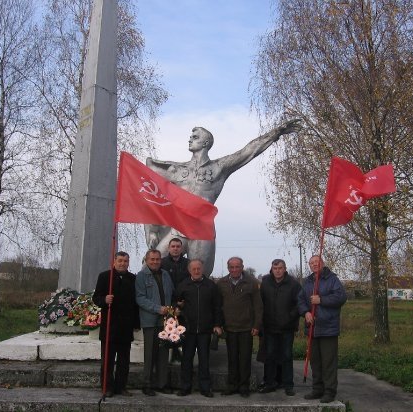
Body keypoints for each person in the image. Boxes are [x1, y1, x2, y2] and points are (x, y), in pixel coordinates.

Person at [144, 119, 302, 276]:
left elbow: (248, 151)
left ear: (206, 143)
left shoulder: (218, 168)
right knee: (149, 265)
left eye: (195, 137)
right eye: (191, 137)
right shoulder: (176, 170)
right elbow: (148, 187)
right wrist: (152, 230)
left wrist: (276, 132)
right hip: (179, 229)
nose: (190, 139)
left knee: (199, 275)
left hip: (202, 229)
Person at [298, 255, 347, 403]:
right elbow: (300, 300)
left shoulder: (332, 279)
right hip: (312, 328)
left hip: (328, 328)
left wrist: (321, 300)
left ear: (322, 263)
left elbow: (341, 297)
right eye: (311, 263)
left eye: (317, 262)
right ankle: (317, 389)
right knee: (315, 362)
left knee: (328, 362)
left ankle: (329, 391)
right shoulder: (307, 282)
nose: (314, 264)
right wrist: (306, 312)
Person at [92, 251, 140, 397]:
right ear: (114, 261)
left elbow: (135, 303)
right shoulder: (105, 276)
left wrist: (136, 323)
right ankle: (107, 387)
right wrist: (104, 300)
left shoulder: (133, 279)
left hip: (125, 326)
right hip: (109, 326)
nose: (122, 263)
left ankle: (121, 387)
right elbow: (96, 297)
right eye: (120, 261)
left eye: (125, 261)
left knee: (124, 361)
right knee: (108, 360)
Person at [175, 259, 223, 398]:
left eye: (199, 268)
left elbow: (217, 307)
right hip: (188, 329)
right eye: (194, 269)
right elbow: (175, 302)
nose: (196, 271)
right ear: (189, 270)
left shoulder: (211, 286)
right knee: (186, 359)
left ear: (203, 269)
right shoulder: (183, 285)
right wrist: (178, 306)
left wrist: (217, 324)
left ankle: (205, 388)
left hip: (205, 329)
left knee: (204, 360)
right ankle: (185, 387)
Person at [217, 257, 262, 397]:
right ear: (228, 268)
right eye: (232, 267)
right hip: (229, 327)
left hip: (246, 328)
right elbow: (218, 305)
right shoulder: (221, 283)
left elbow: (258, 306)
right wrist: (219, 324)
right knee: (232, 359)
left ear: (242, 267)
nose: (234, 269)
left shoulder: (252, 282)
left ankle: (244, 387)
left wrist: (256, 325)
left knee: (245, 359)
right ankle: (232, 385)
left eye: (237, 267)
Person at [258, 259, 302, 397]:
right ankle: (270, 383)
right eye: (275, 268)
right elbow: (260, 303)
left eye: (280, 268)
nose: (277, 271)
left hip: (287, 327)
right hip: (270, 327)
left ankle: (288, 385)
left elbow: (299, 303)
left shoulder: (293, 284)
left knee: (286, 356)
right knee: (270, 356)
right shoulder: (265, 283)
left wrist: (290, 317)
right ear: (272, 269)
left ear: (285, 269)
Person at [135, 249, 175, 396]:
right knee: (150, 354)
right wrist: (158, 309)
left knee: (163, 353)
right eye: (152, 259)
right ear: (146, 260)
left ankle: (162, 384)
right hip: (150, 321)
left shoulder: (165, 274)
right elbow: (140, 298)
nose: (155, 262)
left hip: (165, 321)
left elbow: (172, 293)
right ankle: (147, 384)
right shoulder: (141, 276)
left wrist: (174, 308)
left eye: (157, 259)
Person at [160, 237, 190, 363]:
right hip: (167, 304)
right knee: (167, 333)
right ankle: (167, 361)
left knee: (183, 332)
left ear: (182, 248)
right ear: (169, 248)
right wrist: (172, 304)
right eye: (173, 246)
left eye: (178, 246)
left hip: (184, 304)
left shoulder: (188, 263)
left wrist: (183, 302)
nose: (175, 249)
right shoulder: (162, 263)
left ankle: (183, 360)